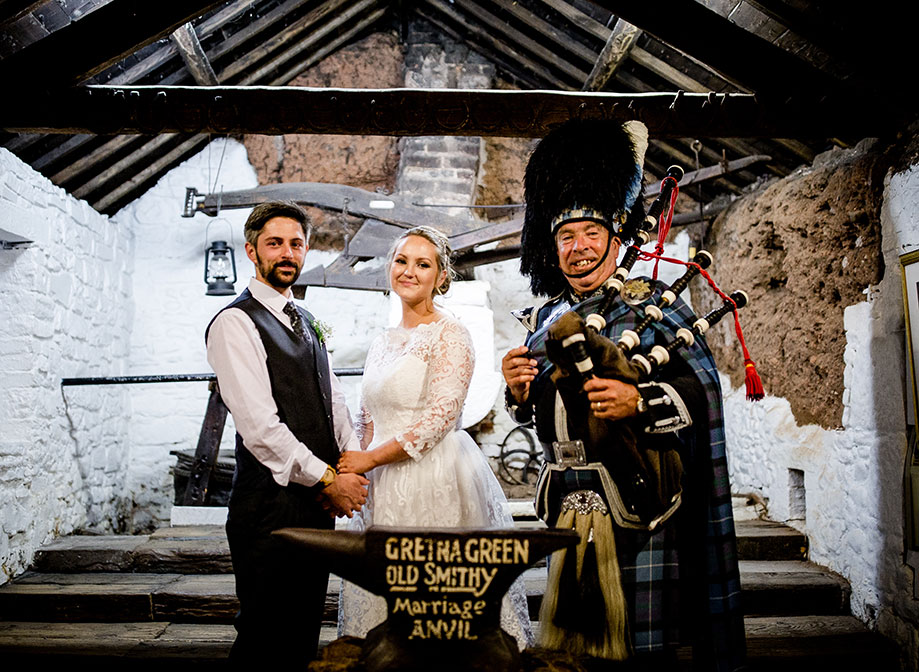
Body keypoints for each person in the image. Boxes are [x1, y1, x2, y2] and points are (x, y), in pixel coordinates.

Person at [501, 120, 746, 671]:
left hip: (639, 498)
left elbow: (704, 392)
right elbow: (547, 415)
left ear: (616, 238)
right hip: (565, 499)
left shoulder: (655, 303)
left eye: (591, 233)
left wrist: (641, 402)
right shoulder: (545, 319)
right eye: (566, 237)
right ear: (553, 247)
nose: (578, 248)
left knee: (642, 654)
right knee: (572, 655)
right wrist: (520, 389)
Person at [336, 225, 533, 650]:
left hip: (433, 475)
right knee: (382, 603)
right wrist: (355, 461)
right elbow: (367, 415)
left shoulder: (450, 334)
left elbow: (441, 418)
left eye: (422, 264)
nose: (409, 271)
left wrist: (370, 460)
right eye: (401, 261)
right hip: (381, 483)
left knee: (438, 601)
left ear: (441, 277)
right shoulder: (382, 341)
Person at [205, 201, 369, 665]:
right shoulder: (235, 323)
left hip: (314, 504)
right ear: (251, 251)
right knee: (265, 635)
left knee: (300, 634)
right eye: (274, 243)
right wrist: (329, 479)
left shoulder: (305, 319)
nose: (287, 253)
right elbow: (260, 428)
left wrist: (350, 463)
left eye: (296, 244)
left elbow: (333, 399)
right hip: (268, 506)